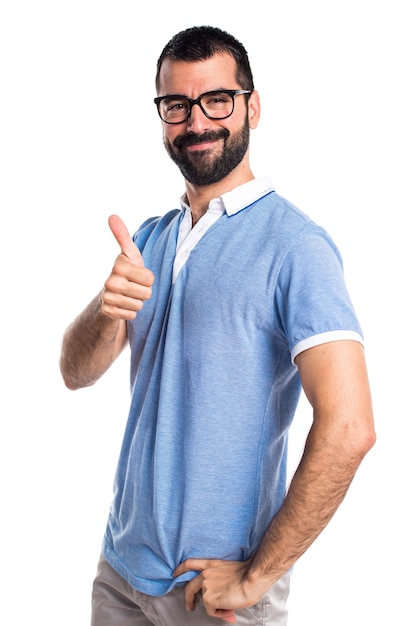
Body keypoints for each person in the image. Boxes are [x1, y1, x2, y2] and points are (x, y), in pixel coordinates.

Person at [60, 25, 376, 626]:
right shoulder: (149, 238)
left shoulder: (296, 246)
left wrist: (256, 577)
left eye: (217, 100)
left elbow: (351, 428)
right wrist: (109, 310)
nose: (196, 121)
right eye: (176, 105)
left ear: (252, 106)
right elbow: (74, 374)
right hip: (120, 573)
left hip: (211, 594)